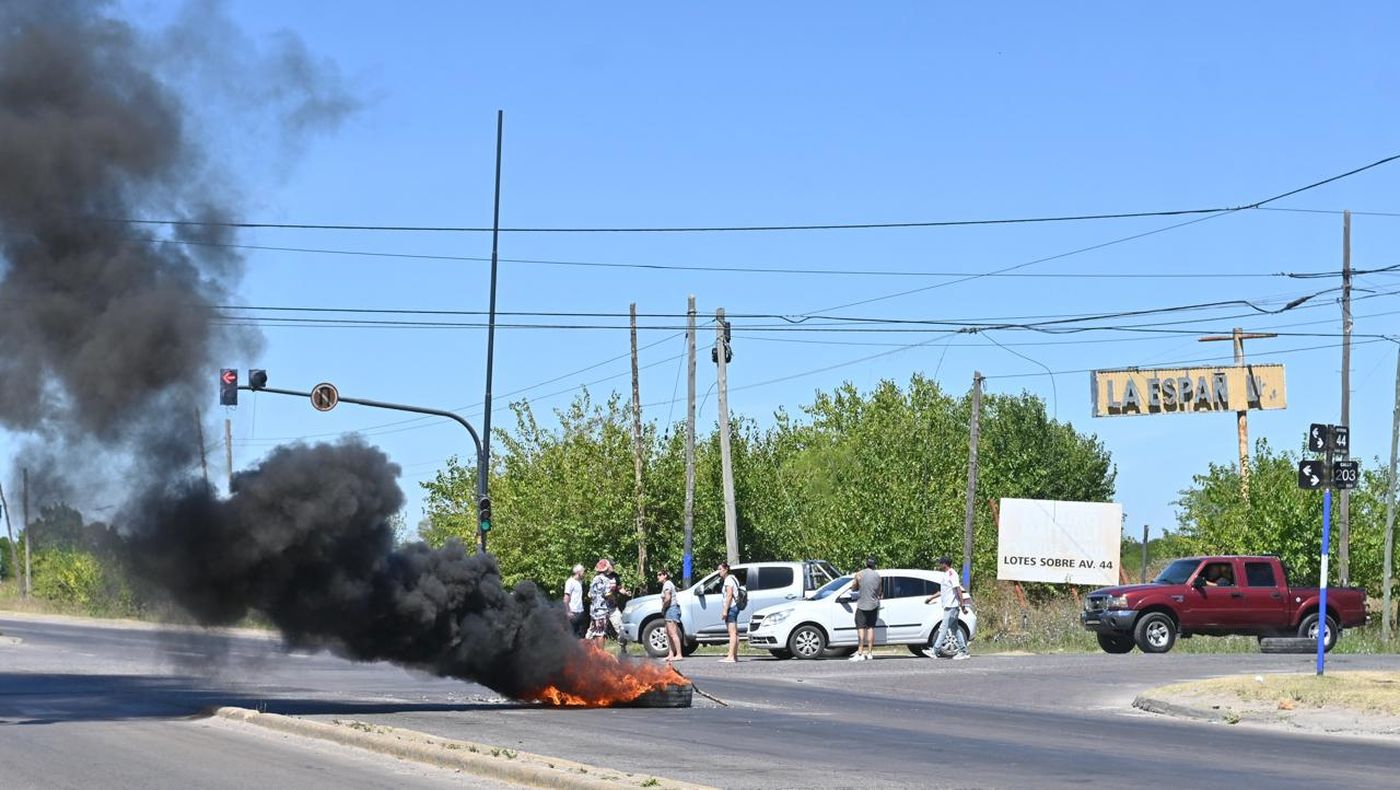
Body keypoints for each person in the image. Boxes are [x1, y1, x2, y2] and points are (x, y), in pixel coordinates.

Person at [924, 556, 970, 660]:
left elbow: (957, 589)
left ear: (945, 564)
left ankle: (935, 651)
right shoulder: (946, 575)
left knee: (943, 628)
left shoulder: (952, 573)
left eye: (940, 563)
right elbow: (943, 591)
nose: (939, 565)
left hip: (952, 606)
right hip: (948, 606)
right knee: (955, 629)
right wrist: (931, 598)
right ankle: (964, 651)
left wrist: (962, 605)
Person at [849, 556, 882, 661]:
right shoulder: (878, 576)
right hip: (873, 605)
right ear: (874, 565)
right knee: (871, 628)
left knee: (861, 628)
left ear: (866, 563)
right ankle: (870, 653)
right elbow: (878, 592)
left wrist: (856, 582)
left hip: (862, 605)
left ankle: (860, 652)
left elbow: (853, 588)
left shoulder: (860, 574)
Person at [604, 560, 632, 654]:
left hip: (613, 608)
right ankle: (595, 653)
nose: (613, 567)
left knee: (621, 629)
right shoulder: (599, 577)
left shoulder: (615, 576)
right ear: (607, 566)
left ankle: (623, 650)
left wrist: (626, 592)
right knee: (598, 632)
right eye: (612, 565)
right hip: (601, 609)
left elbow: (619, 588)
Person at [585, 559, 615, 642]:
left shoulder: (594, 579)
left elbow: (589, 595)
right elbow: (607, 594)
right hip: (602, 610)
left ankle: (587, 652)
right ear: (606, 569)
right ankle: (600, 654)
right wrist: (612, 597)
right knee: (601, 632)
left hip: (593, 610)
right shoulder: (606, 580)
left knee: (592, 631)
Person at [658, 568, 683, 661]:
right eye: (658, 575)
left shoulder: (667, 584)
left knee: (673, 633)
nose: (658, 576)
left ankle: (679, 654)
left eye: (660, 574)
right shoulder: (666, 584)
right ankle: (671, 654)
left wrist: (663, 608)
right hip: (668, 610)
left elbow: (668, 598)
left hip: (671, 609)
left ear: (665, 575)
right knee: (667, 633)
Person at [718, 562, 740, 663]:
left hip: (731, 608)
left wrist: (725, 610)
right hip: (735, 607)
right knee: (735, 633)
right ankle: (734, 656)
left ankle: (730, 656)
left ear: (726, 569)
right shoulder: (733, 578)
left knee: (732, 633)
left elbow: (729, 595)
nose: (719, 572)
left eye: (720, 569)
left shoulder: (728, 580)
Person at [563, 563, 587, 638]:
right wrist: (568, 611)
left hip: (580, 612)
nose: (584, 573)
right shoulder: (570, 582)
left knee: (580, 636)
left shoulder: (580, 582)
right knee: (571, 636)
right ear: (578, 572)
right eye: (583, 571)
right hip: (572, 613)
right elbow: (566, 598)